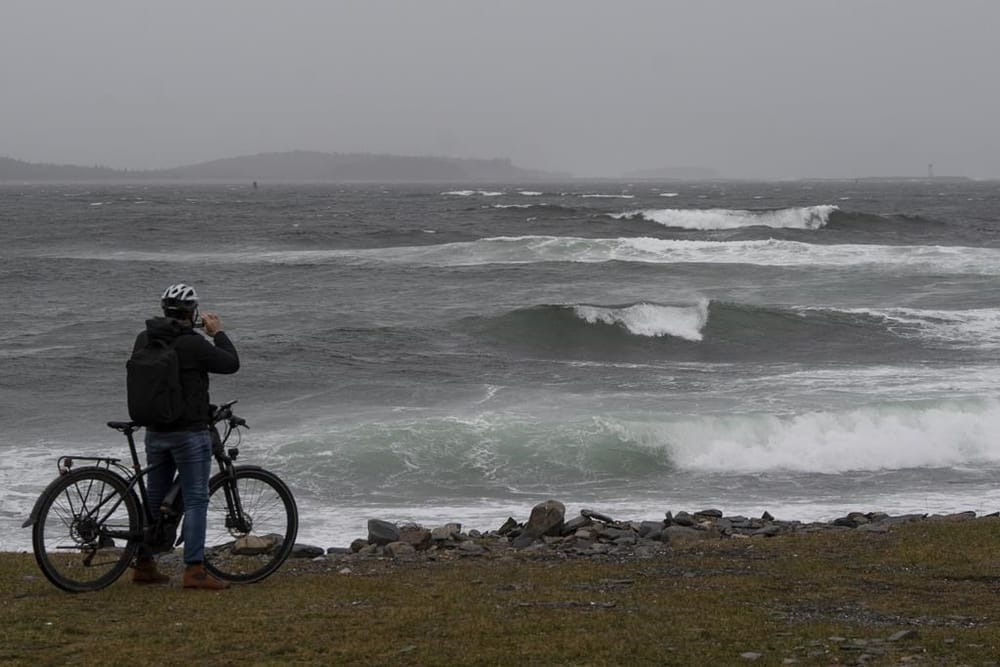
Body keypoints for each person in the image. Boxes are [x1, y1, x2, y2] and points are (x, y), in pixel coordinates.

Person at [130, 283, 240, 589]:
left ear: (165, 310)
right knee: (195, 499)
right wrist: (217, 332)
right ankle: (194, 570)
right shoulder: (192, 343)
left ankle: (144, 564)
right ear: (192, 312)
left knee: (155, 498)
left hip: (154, 430)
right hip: (189, 433)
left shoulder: (144, 338)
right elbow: (231, 363)